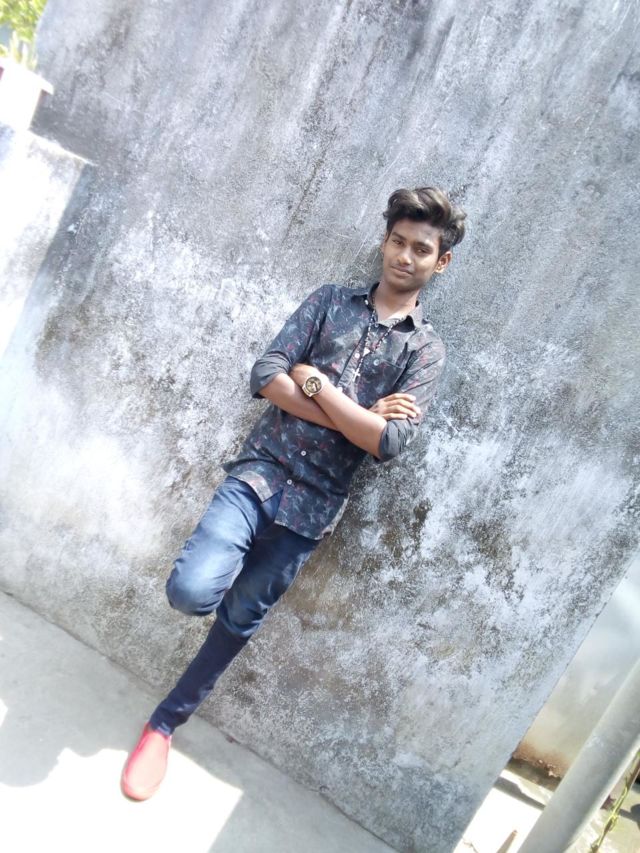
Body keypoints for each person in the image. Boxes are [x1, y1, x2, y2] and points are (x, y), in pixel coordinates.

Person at [121, 186, 466, 800]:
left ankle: (165, 724)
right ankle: (168, 710)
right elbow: (265, 374)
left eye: (421, 249)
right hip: (257, 476)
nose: (404, 256)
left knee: (239, 619)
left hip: (311, 511)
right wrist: (359, 416)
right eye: (397, 241)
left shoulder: (425, 351)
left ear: (440, 262)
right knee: (191, 592)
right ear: (384, 242)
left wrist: (315, 385)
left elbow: (389, 443)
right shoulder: (330, 302)